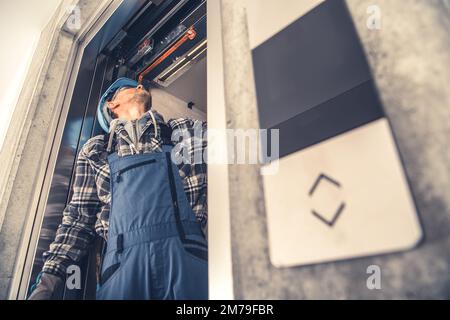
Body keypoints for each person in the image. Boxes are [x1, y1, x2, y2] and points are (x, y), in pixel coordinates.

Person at [28, 78, 208, 300]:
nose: (141, 87)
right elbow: (78, 219)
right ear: (111, 105)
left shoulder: (185, 130)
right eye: (131, 87)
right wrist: (48, 280)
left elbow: (243, 146)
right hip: (122, 269)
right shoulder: (95, 150)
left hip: (187, 256)